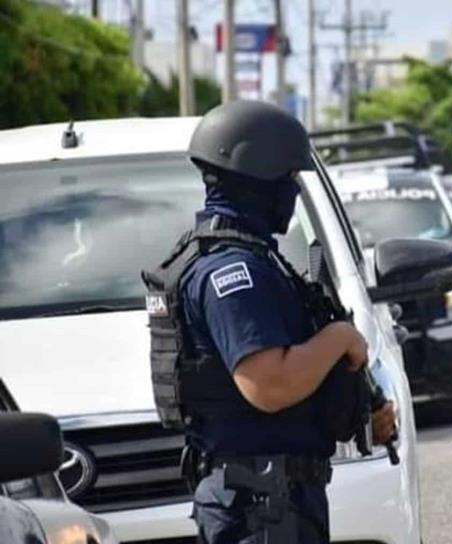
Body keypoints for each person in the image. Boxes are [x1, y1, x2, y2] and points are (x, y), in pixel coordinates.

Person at [143, 100, 396, 543]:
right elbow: (268, 384)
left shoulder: (256, 258)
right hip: (261, 508)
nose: (292, 193)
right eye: (288, 180)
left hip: (273, 500)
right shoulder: (232, 270)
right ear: (260, 178)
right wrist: (339, 338)